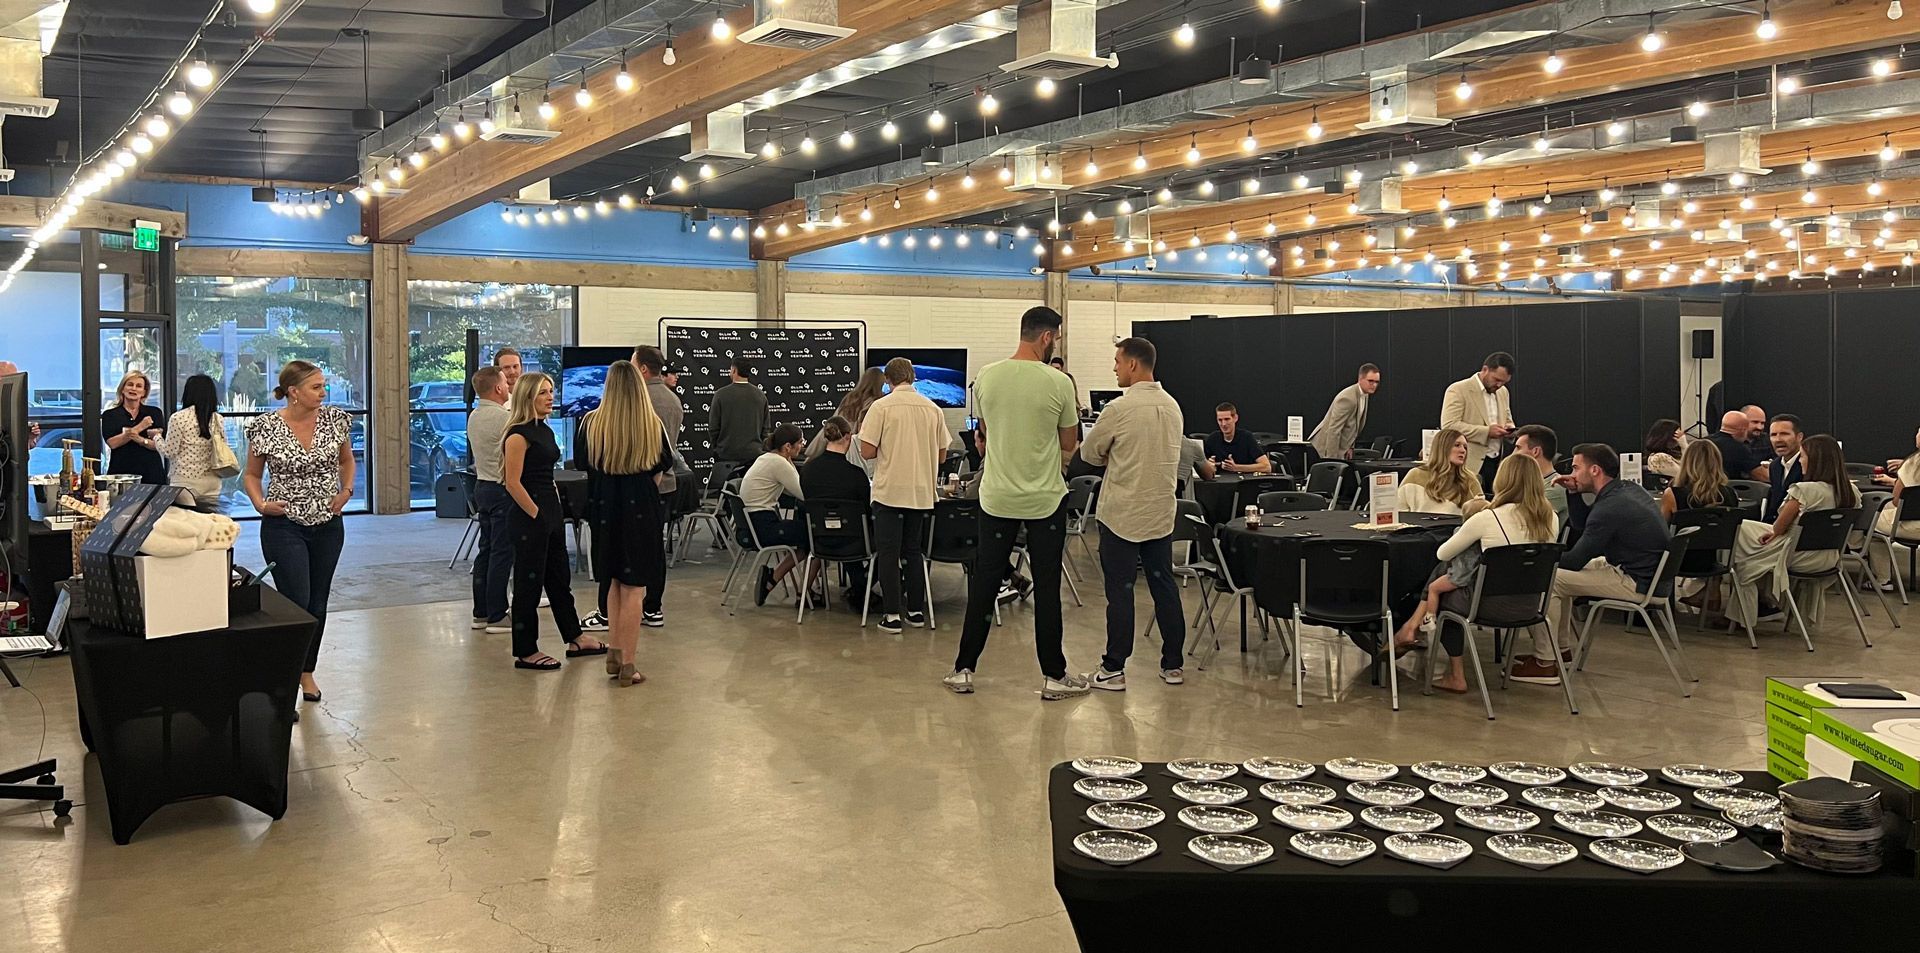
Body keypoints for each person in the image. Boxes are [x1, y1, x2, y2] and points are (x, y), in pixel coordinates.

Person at [945, 306, 1086, 700]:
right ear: (1047, 338)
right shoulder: (1058, 383)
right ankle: (1054, 677)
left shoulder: (987, 377)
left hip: (997, 498)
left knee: (985, 585)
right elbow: (1069, 443)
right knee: (1047, 586)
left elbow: (985, 432)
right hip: (1044, 500)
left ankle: (963, 669)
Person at [1397, 454, 1560, 693]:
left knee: (1443, 588)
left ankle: (1455, 674)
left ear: (1502, 480)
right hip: (1531, 605)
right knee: (1446, 575)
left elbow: (1443, 553)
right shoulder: (1551, 519)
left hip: (1487, 606)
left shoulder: (1487, 518)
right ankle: (1412, 627)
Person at [1079, 338, 1187, 691]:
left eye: (1116, 361)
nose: (1113, 368)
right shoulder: (1174, 407)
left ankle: (1114, 668)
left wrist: (1115, 456)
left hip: (1121, 514)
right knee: (1164, 587)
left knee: (1120, 593)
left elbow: (1091, 453)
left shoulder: (1118, 409)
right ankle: (1173, 665)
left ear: (1133, 366)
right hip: (1159, 514)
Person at [244, 360, 355, 704]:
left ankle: (306, 672)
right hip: (283, 524)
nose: (323, 393)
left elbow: (347, 460)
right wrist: (261, 504)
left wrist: (346, 492)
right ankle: (282, 680)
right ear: (293, 392)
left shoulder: (336, 420)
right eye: (316, 387)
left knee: (318, 605)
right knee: (297, 602)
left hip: (328, 524)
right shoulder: (265, 426)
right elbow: (251, 474)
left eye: (324, 387)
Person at [1522, 443, 1670, 686]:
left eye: (1575, 467)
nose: (1570, 473)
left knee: (1551, 578)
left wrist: (1540, 560)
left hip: (1637, 583)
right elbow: (1584, 526)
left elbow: (1575, 560)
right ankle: (1562, 650)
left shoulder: (1611, 507)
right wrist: (1574, 492)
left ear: (1594, 471)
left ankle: (1545, 662)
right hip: (1651, 576)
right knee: (1563, 574)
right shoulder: (1629, 490)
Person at [575, 360, 672, 687]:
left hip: (603, 506)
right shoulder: (652, 424)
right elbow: (660, 470)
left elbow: (585, 465)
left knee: (613, 582)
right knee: (635, 589)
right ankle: (629, 663)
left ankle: (614, 653)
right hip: (640, 508)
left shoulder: (590, 423)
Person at [501, 372, 601, 671]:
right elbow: (512, 482)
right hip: (529, 516)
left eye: (550, 391)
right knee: (528, 585)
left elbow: (547, 474)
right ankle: (526, 650)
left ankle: (574, 636)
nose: (550, 397)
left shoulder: (543, 430)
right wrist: (535, 514)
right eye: (543, 392)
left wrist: (553, 508)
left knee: (559, 581)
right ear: (528, 397)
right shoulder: (518, 434)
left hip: (549, 512)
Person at [583, 345, 684, 633]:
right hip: (654, 492)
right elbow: (665, 458)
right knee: (650, 556)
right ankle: (653, 608)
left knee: (616, 571)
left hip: (619, 497)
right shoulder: (671, 401)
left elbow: (589, 464)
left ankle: (608, 618)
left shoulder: (600, 421)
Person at [860, 357, 950, 634]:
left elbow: (866, 451)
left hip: (889, 493)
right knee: (913, 552)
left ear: (888, 380)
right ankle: (915, 611)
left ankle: (891, 615)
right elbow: (943, 454)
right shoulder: (933, 409)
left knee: (888, 553)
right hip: (921, 493)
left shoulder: (881, 407)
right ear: (913, 377)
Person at [1728, 434, 1856, 628]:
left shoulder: (1804, 491)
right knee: (1748, 533)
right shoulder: (1850, 492)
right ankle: (1764, 601)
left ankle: (1745, 609)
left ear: (1815, 461)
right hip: (1828, 555)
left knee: (1739, 537)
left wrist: (1775, 533)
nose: (1800, 461)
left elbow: (1779, 526)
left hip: (1796, 556)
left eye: (1803, 456)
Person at [800, 415, 873, 604]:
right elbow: (866, 512)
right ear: (848, 437)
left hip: (819, 540)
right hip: (854, 542)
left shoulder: (808, 471)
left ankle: (860, 590)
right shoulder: (856, 475)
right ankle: (863, 588)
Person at [742, 424, 817, 607]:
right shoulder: (778, 463)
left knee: (805, 536)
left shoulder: (768, 458)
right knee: (816, 535)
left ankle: (773, 580)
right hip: (764, 526)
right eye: (800, 442)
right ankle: (802, 593)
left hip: (753, 523)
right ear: (787, 447)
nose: (803, 446)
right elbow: (803, 494)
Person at [466, 366, 513, 634]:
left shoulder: (475, 415)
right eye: (506, 382)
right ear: (497, 388)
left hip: (482, 486)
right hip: (501, 489)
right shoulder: (504, 418)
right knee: (502, 553)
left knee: (486, 551)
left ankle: (480, 612)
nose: (508, 386)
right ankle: (498, 614)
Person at [1441, 351, 1515, 489]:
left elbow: (1507, 418)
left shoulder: (1503, 392)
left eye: (1504, 382)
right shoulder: (1458, 390)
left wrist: (1509, 430)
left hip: (1497, 463)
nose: (1499, 385)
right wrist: (1487, 432)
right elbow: (1449, 426)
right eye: (1497, 379)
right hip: (1468, 464)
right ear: (1485, 369)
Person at [163, 374, 227, 512]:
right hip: (212, 480)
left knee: (186, 524)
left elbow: (169, 451)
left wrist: (156, 437)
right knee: (208, 523)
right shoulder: (218, 419)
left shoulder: (179, 418)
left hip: (185, 480)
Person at [1868, 426, 1920, 590]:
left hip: (1912, 525)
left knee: (1871, 521)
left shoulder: (1912, 463)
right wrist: (1894, 481)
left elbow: (1898, 500)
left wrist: (1898, 479)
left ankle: (1883, 580)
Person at [806, 368, 886, 463]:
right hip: (864, 455)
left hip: (840, 450)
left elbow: (834, 422)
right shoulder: (880, 403)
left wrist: (812, 454)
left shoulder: (850, 399)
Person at [1398, 429, 1482, 516]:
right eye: (1457, 445)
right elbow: (1399, 510)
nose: (1463, 450)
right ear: (1442, 448)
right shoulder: (1415, 475)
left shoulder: (1469, 479)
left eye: (1465, 447)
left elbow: (1480, 516)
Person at [103, 370, 167, 484]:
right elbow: (113, 443)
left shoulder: (154, 413)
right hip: (121, 474)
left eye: (138, 386)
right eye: (130, 385)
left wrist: (140, 440)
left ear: (144, 392)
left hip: (152, 474)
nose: (134, 389)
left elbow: (159, 445)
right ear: (122, 389)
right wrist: (140, 427)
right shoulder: (110, 415)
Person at [1310, 363, 1379, 461]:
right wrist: (1332, 461)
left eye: (1377, 382)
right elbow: (1334, 429)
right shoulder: (1347, 398)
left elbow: (1354, 426)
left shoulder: (1365, 394)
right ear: (1360, 379)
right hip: (1326, 449)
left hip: (1341, 448)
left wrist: (1350, 447)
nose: (1374, 385)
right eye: (1370, 381)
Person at [710, 358, 771, 468]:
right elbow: (765, 429)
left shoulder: (720, 395)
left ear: (734, 370)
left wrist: (718, 448)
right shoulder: (760, 395)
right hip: (754, 456)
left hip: (726, 455)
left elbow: (713, 428)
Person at [1662, 438, 1735, 519]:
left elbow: (1663, 527)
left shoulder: (1673, 494)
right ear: (1717, 462)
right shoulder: (1730, 494)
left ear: (1686, 462)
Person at [1513, 424, 1569, 526]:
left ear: (1536, 451)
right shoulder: (1526, 484)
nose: (1513, 454)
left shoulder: (1555, 488)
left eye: (1518, 448)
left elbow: (1524, 525)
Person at [1204, 402, 1272, 473]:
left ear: (1235, 418)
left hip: (1243, 481)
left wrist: (1236, 467)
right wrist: (1209, 465)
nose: (1223, 424)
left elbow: (1267, 467)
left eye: (1227, 419)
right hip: (1220, 481)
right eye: (1220, 420)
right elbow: (1201, 465)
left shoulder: (1246, 438)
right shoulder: (1213, 439)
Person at [1764, 414, 1806, 523]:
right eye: (1773, 435)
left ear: (1799, 437)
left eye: (1784, 434)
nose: (1778, 439)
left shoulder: (1808, 465)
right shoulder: (1775, 466)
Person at [1707, 411, 1768, 482]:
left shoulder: (1704, 442)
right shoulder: (1738, 449)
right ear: (1743, 429)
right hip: (1725, 489)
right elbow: (1763, 476)